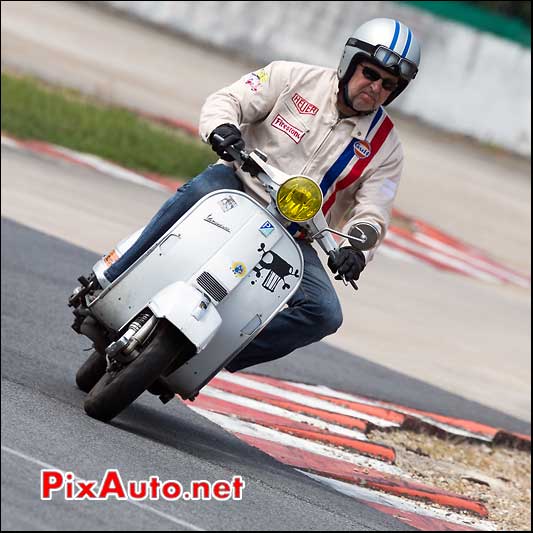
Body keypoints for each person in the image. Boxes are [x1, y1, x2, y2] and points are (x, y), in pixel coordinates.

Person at [100, 18, 421, 372]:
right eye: (370, 74)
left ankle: (212, 357)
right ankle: (116, 274)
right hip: (237, 188)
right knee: (199, 191)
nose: (375, 88)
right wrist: (222, 129)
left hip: (295, 235)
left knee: (325, 313)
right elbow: (229, 100)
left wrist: (356, 250)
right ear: (349, 63)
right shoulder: (291, 78)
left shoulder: (386, 147)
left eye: (388, 85)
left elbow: (374, 211)